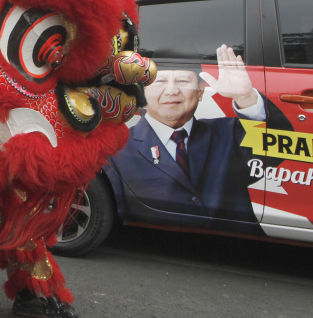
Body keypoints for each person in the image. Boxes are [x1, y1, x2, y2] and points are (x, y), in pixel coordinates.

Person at [107, 44, 265, 228]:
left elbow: (273, 152)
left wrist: (246, 98)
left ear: (201, 91)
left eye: (182, 81)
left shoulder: (229, 133)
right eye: (160, 81)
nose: (172, 91)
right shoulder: (117, 150)